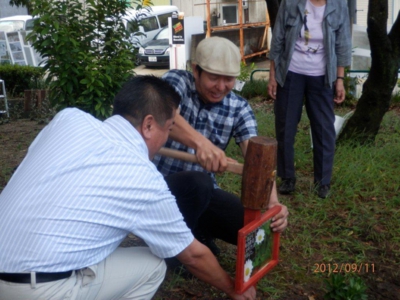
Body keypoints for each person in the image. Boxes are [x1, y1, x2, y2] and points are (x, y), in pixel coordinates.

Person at [0, 76, 256, 300]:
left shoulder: (68, 119)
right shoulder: (144, 179)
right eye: (167, 129)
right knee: (153, 266)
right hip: (35, 290)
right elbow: (193, 256)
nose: (166, 137)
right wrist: (233, 288)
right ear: (147, 125)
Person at [152, 37, 289, 255]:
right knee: (199, 182)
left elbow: (257, 159)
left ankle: (197, 230)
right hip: (159, 188)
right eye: (214, 78)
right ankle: (173, 250)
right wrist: (201, 144)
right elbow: (165, 115)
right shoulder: (175, 82)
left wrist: (273, 203)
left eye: (229, 80)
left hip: (204, 194)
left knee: (253, 230)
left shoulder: (239, 108)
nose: (221, 87)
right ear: (196, 70)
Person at [267, 0, 352, 198]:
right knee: (285, 126)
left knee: (324, 129)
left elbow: (343, 44)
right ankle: (287, 177)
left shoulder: (339, 6)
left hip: (323, 76)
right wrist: (273, 76)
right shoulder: (290, 3)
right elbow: (278, 39)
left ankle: (323, 182)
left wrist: (339, 80)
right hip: (290, 73)